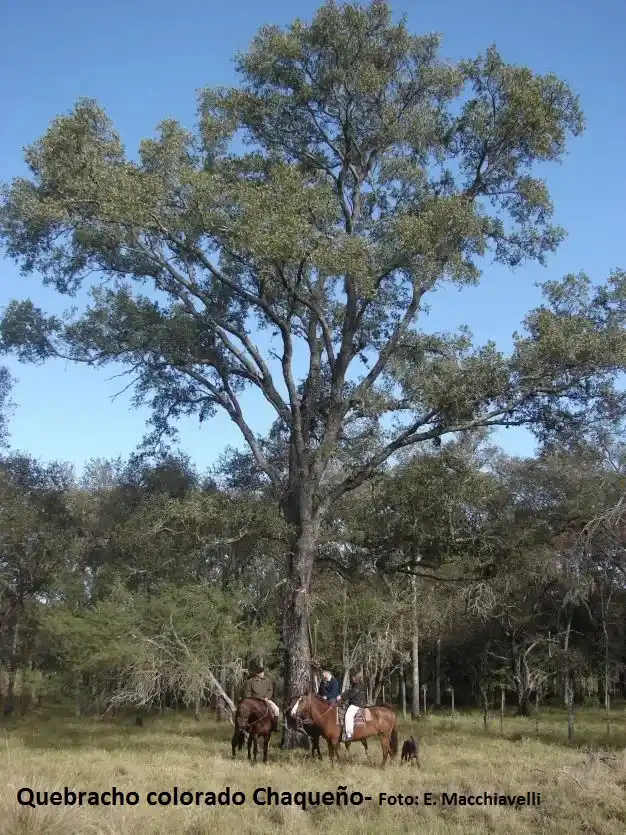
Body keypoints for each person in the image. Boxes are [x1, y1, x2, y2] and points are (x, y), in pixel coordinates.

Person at [243, 662, 280, 731]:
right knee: (245, 712)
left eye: (263, 672)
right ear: (257, 674)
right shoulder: (250, 681)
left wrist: (267, 697)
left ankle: (274, 726)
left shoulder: (267, 680)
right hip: (254, 701)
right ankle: (244, 727)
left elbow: (270, 690)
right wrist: (251, 701)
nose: (263, 674)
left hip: (265, 700)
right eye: (261, 673)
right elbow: (247, 692)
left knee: (276, 709)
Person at [337, 671, 367, 741]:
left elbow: (351, 694)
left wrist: (341, 697)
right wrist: (342, 695)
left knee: (348, 715)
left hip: (356, 704)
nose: (351, 678)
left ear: (357, 678)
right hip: (352, 703)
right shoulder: (355, 684)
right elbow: (349, 691)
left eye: (353, 677)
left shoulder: (358, 685)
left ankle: (349, 734)